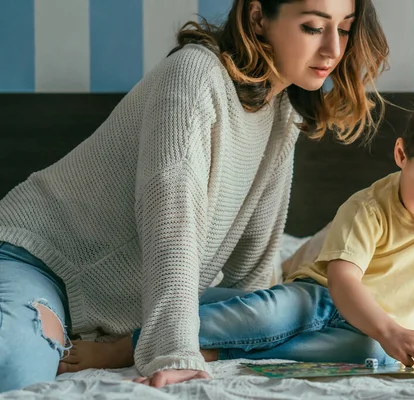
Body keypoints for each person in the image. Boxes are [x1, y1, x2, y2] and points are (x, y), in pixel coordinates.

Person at [0, 0, 389, 392]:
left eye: (343, 29)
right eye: (312, 27)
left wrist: (250, 326)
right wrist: (174, 352)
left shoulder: (282, 111)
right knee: (17, 363)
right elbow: (172, 221)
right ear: (257, 18)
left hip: (121, 306)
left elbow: (252, 262)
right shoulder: (195, 74)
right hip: (40, 263)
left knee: (335, 320)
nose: (333, 50)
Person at [61, 84, 414, 376]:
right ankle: (129, 344)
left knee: (373, 359)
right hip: (323, 299)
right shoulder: (370, 207)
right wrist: (390, 331)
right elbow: (342, 279)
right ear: (402, 154)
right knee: (268, 315)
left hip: (374, 333)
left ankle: (220, 347)